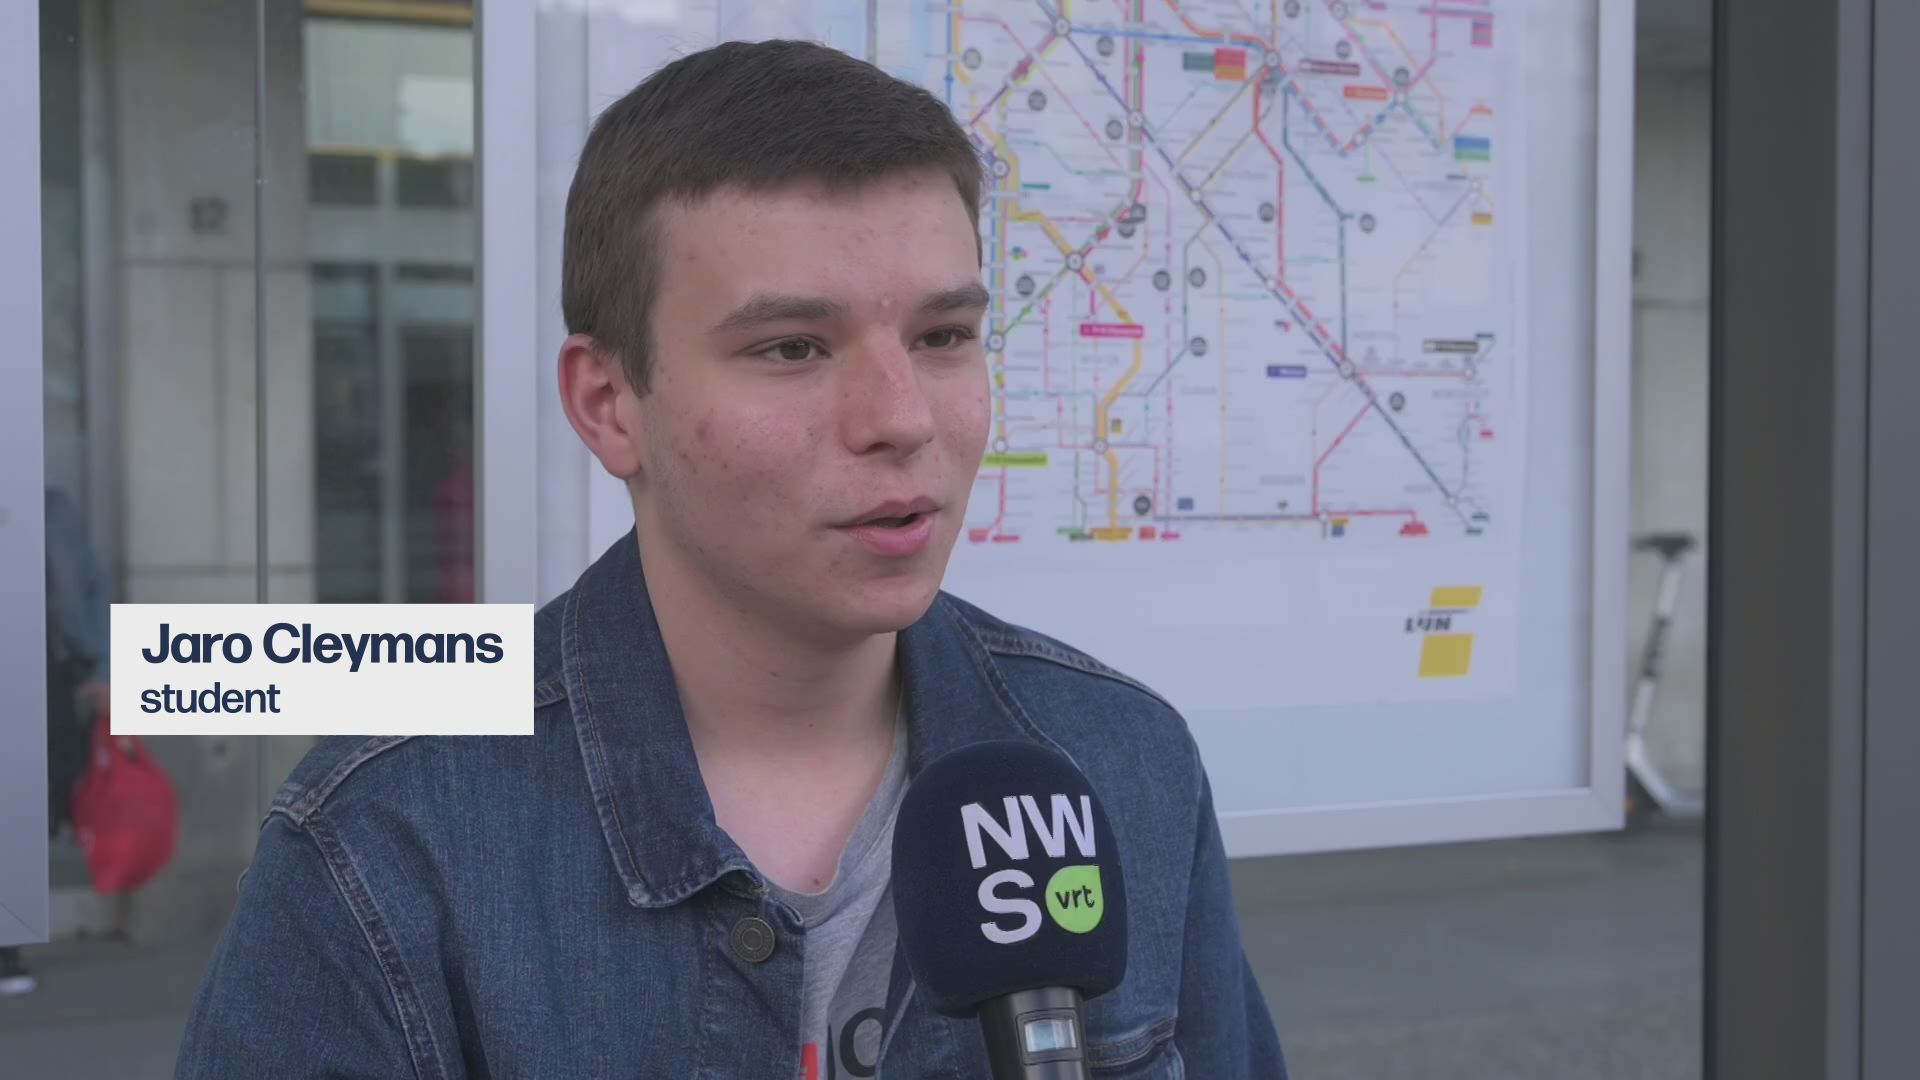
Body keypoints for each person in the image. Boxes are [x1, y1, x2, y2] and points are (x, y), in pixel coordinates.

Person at [175, 40, 1286, 1077]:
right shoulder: (387, 836)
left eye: (944, 336)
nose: (902, 417)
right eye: (793, 348)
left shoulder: (1120, 759)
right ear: (609, 404)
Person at [1, 486, 115, 997]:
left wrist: (103, 668)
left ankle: (9, 943)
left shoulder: (52, 506)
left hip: (45, 675)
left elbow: (89, 588)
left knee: (28, 807)